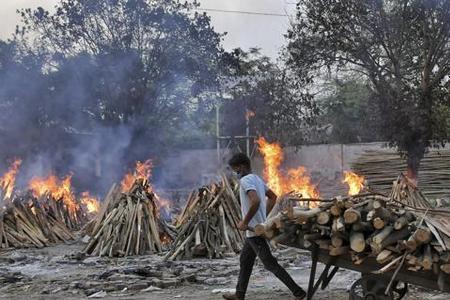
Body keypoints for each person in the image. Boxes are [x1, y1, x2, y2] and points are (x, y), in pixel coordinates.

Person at [223, 153, 306, 300]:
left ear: (242, 167)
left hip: (255, 231)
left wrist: (245, 222)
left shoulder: (246, 180)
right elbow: (273, 197)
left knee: (270, 264)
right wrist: (264, 217)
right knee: (245, 260)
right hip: (255, 230)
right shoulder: (257, 179)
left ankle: (298, 292)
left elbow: (255, 201)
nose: (235, 174)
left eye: (236, 170)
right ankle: (239, 294)